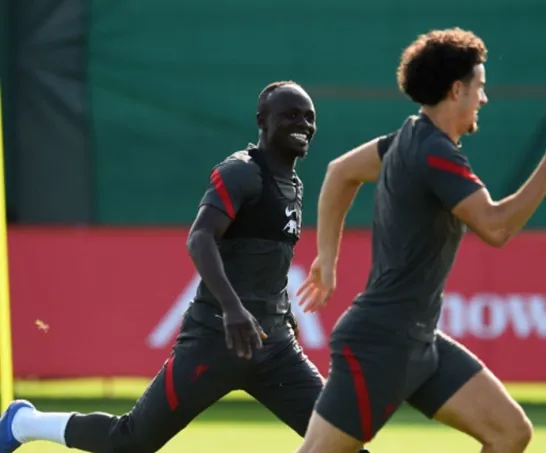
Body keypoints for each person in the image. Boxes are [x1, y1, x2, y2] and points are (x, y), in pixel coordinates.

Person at [0, 81, 372, 453]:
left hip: (274, 348)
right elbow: (200, 238)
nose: (303, 124)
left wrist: (280, 312)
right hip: (215, 341)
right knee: (131, 442)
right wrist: (232, 309)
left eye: (309, 117)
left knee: (341, 441)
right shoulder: (240, 172)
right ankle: (24, 422)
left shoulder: (293, 184)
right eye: (290, 115)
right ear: (262, 120)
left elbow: (264, 261)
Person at [294, 28, 546, 453]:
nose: (483, 99)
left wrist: (326, 259)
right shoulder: (434, 153)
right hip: (382, 343)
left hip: (418, 340)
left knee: (510, 432)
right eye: (480, 88)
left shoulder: (405, 140)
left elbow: (340, 172)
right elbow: (496, 227)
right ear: (457, 90)